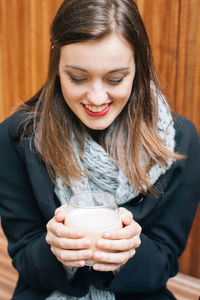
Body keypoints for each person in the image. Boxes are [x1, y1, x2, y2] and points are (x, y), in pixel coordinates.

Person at [0, 0, 199, 299]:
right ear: (57, 67)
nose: (96, 97)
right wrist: (52, 249)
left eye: (115, 79)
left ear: (138, 67)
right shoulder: (17, 136)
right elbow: (25, 258)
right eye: (77, 77)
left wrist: (130, 253)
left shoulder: (179, 140)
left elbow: (165, 261)